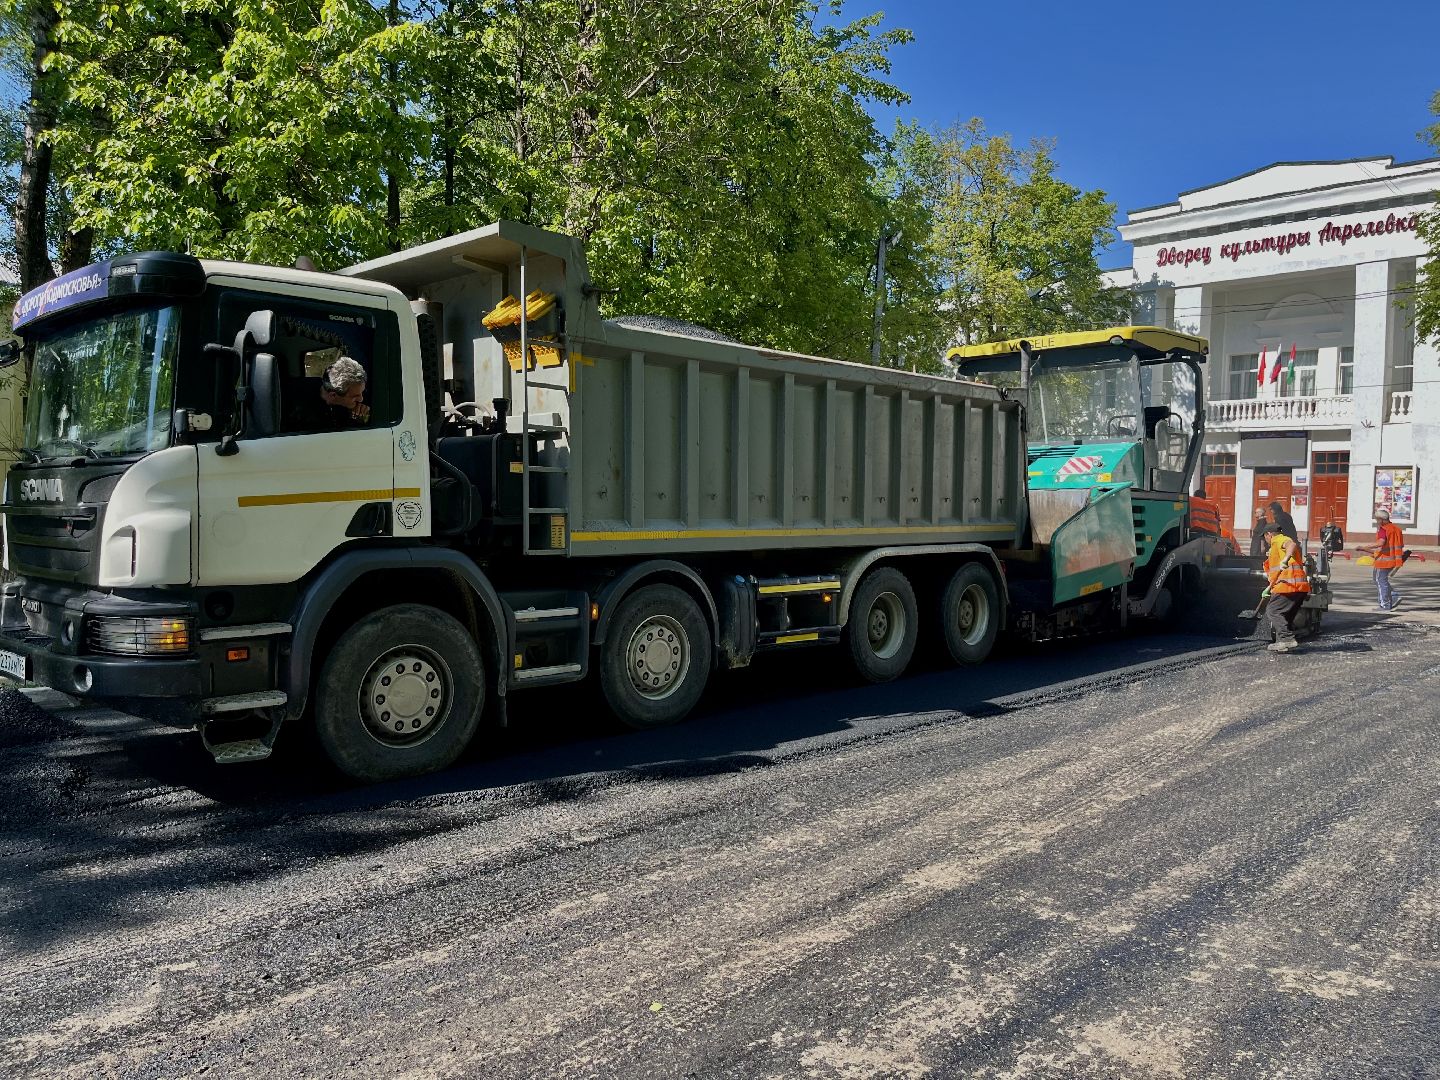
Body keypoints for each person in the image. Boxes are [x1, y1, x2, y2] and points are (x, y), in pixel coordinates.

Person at [1260, 519, 1311, 653]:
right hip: (1299, 587)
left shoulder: (1280, 539)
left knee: (1273, 611)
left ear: (1269, 534)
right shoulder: (1274, 548)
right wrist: (1269, 588)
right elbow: (1276, 572)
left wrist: (1286, 558)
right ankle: (1282, 643)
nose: (1266, 540)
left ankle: (1287, 639)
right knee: (1285, 616)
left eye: (1265, 537)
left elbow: (1290, 544)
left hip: (1289, 585)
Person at [285, 356, 371, 431]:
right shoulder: (299, 410)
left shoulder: (356, 399)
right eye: (355, 396)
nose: (361, 399)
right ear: (333, 395)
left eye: (362, 392)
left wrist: (360, 418)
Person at [1356, 507, 1404, 611]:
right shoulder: (1397, 529)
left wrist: (1364, 547)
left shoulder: (1384, 529)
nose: (1376, 522)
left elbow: (1380, 543)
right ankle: (1393, 595)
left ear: (1381, 519)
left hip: (1383, 561)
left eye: (1377, 519)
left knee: (1380, 581)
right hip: (1394, 560)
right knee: (1381, 580)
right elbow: (1394, 546)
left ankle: (1385, 605)